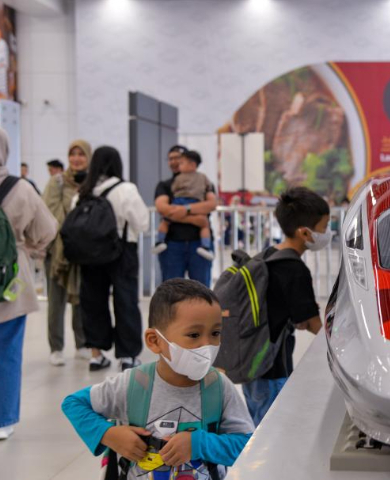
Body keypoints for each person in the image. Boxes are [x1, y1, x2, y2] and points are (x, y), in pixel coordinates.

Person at [61, 279, 253, 479]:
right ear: (155, 341)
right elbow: (74, 403)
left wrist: (199, 445)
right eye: (194, 334)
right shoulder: (133, 384)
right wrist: (108, 434)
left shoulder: (220, 388)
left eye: (215, 333)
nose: (207, 345)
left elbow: (247, 445)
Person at [0, 125, 58, 441]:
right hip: (7, 284)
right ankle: (1, 422)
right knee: (5, 354)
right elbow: (47, 229)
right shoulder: (21, 188)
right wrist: (27, 251)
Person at [242, 187, 330, 425]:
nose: (326, 233)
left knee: (257, 420)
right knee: (270, 429)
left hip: (253, 362)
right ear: (305, 232)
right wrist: (336, 346)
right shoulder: (294, 269)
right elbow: (313, 324)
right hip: (273, 367)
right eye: (323, 227)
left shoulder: (269, 255)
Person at [75, 146, 149, 372]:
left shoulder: (83, 192)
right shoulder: (125, 189)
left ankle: (96, 355)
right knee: (125, 301)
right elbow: (142, 222)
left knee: (92, 303)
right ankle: (127, 356)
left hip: (89, 254)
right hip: (122, 251)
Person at [42, 140, 93, 366]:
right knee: (56, 300)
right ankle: (56, 347)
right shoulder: (58, 181)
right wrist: (74, 229)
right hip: (59, 251)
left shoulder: (93, 182)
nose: (76, 159)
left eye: (81, 154)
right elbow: (50, 212)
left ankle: (81, 344)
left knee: (81, 299)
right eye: (72, 154)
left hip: (83, 250)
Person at [155, 147, 217, 287]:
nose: (175, 162)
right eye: (171, 159)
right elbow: (163, 208)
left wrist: (184, 210)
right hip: (172, 244)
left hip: (199, 244)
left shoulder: (203, 180)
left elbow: (211, 204)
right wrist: (196, 219)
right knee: (172, 291)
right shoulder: (166, 185)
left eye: (178, 158)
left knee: (202, 290)